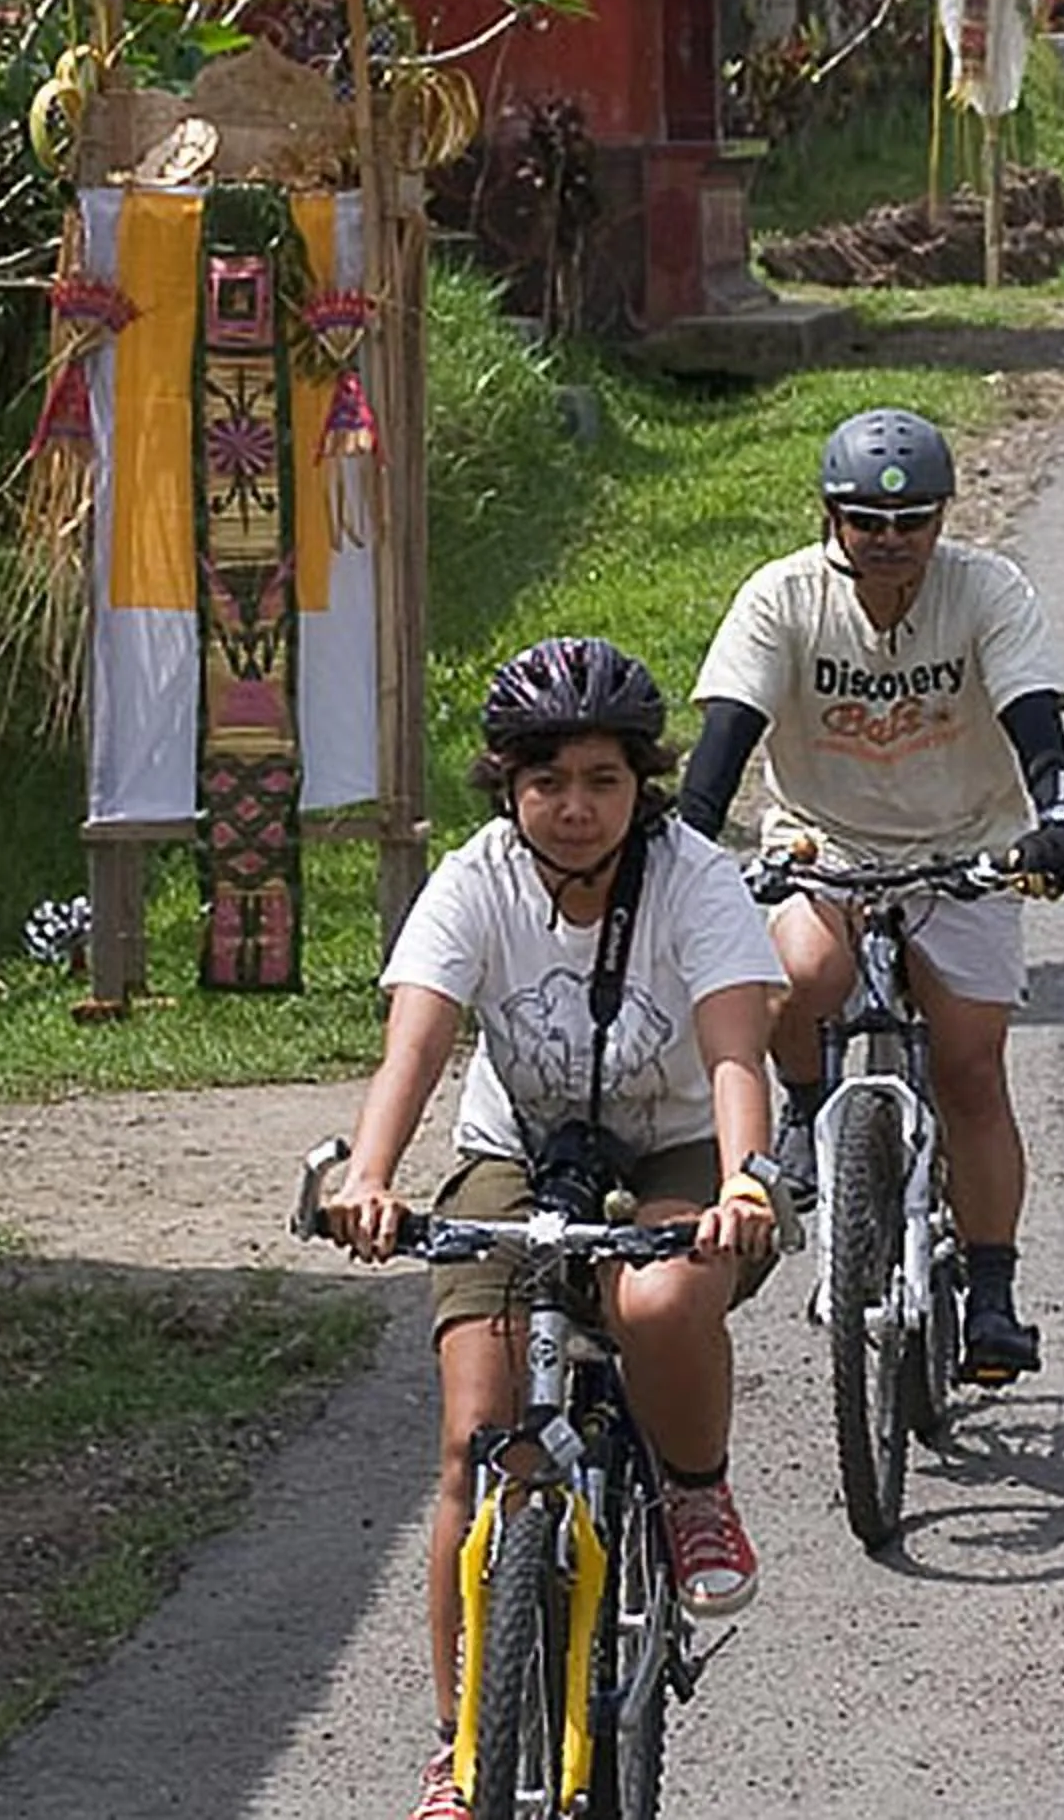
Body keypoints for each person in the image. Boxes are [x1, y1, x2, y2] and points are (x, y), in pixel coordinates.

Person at [323, 635, 786, 1820]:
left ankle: (691, 1487)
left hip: (676, 1145)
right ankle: (455, 1743)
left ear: (645, 785)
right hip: (514, 1154)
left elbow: (737, 1049)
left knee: (662, 1299)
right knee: (475, 1440)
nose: (575, 810)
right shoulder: (475, 879)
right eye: (547, 783)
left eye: (603, 782)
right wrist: (370, 1177)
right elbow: (416, 1044)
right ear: (507, 785)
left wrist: (744, 1182)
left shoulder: (698, 879)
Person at [680, 406, 1064, 1383]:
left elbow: (1033, 714)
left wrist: (1061, 813)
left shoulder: (988, 591)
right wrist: (683, 844)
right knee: (800, 976)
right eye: (867, 522)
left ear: (944, 520)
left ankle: (992, 1292)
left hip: (969, 845)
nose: (891, 543)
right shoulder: (781, 598)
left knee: (971, 1069)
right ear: (831, 516)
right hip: (828, 839)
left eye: (913, 524)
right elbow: (728, 735)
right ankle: (807, 1104)